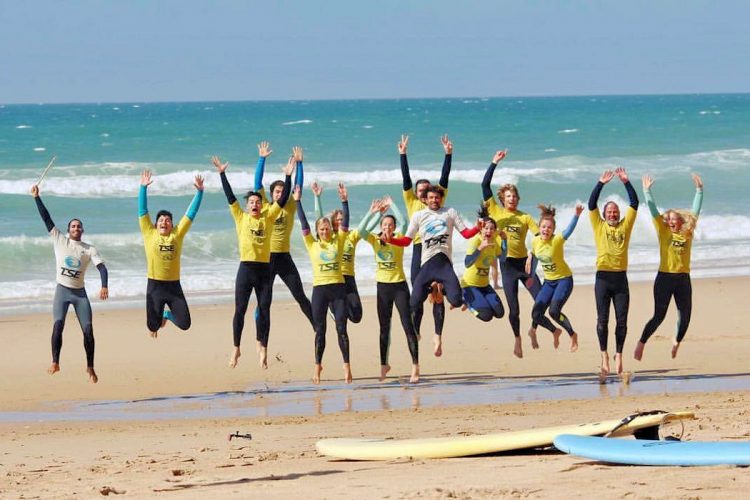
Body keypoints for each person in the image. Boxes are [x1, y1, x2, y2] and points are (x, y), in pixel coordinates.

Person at [212, 155, 292, 369]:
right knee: (240, 310)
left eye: (258, 202)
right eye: (251, 203)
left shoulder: (268, 217)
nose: (255, 205)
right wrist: (222, 174)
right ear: (247, 206)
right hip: (246, 269)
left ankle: (262, 345)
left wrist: (288, 175)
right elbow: (229, 197)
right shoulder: (240, 216)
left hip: (264, 270)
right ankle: (236, 348)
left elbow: (283, 200)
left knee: (265, 309)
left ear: (261, 205)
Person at [482, 150, 562, 355]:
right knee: (514, 310)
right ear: (502, 198)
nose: (512, 199)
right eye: (508, 196)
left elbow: (539, 237)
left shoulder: (525, 217)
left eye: (515, 196)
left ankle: (547, 330)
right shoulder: (495, 211)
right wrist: (494, 162)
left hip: (525, 266)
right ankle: (517, 339)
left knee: (541, 302)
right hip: (507, 267)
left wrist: (534, 256)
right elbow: (484, 185)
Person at [386, 185, 480, 356]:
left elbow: (466, 234)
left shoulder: (450, 212)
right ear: (425, 199)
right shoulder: (419, 216)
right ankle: (433, 288)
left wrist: (478, 228)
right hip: (427, 265)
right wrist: (391, 240)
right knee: (414, 303)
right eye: (431, 198)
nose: (434, 200)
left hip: (444, 265)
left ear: (441, 198)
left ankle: (440, 287)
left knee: (457, 301)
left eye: (437, 197)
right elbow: (407, 241)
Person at [31, 184, 108, 383]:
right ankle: (55, 362)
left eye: (78, 226)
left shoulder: (89, 249)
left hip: (80, 294)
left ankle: (90, 367)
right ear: (68, 230)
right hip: (62, 291)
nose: (76, 228)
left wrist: (104, 285)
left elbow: (102, 268)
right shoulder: (60, 240)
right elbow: (46, 218)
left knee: (88, 331)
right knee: (58, 326)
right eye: (73, 226)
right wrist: (36, 197)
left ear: (82, 230)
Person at [635, 173, 703, 361]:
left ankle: (676, 341)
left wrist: (699, 190)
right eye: (669, 219)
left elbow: (695, 212)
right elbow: (654, 211)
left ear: (681, 221)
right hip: (664, 278)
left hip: (682, 279)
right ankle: (641, 343)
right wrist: (646, 190)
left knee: (685, 317)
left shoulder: (687, 233)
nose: (672, 221)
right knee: (659, 316)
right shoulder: (663, 231)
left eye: (675, 219)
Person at [294, 182, 353, 384]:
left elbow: (345, 223)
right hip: (320, 291)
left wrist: (344, 201)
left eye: (327, 227)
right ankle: (318, 366)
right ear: (317, 231)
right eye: (321, 228)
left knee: (341, 329)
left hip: (338, 290)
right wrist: (297, 201)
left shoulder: (339, 240)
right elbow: (303, 223)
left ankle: (347, 367)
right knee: (320, 331)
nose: (325, 231)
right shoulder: (311, 243)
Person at [359, 196, 420, 382]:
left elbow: (404, 221)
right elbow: (362, 230)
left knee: (407, 326)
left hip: (399, 286)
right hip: (383, 288)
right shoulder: (375, 240)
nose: (387, 227)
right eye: (384, 225)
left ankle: (415, 366)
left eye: (390, 225)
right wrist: (375, 214)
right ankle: (384, 365)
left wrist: (392, 203)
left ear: (394, 228)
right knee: (384, 328)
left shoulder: (399, 239)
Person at [398, 134, 452, 342]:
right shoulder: (411, 201)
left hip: (437, 251)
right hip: (419, 249)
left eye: (426, 190)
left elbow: (444, 179)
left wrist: (448, 155)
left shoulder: (436, 201)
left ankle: (438, 335)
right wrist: (403, 154)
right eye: (420, 190)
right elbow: (406, 180)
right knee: (418, 290)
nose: (423, 193)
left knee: (437, 292)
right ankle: (417, 330)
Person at [254, 143, 314, 328]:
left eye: (282, 191)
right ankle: (260, 335)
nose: (280, 194)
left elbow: (297, 187)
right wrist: (262, 158)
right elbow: (257, 183)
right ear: (271, 195)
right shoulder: (265, 206)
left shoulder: (289, 206)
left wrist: (300, 164)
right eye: (277, 192)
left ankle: (317, 326)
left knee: (300, 295)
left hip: (284, 258)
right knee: (265, 301)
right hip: (267, 259)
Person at [138, 169, 204, 338]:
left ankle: (167, 315)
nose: (164, 222)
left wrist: (200, 192)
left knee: (185, 324)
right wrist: (143, 188)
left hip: (174, 287)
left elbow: (191, 214)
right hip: (155, 286)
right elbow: (142, 210)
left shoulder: (177, 234)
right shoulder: (149, 233)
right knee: (152, 325)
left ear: (172, 224)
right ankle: (160, 317)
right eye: (161, 220)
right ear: (155, 224)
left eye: (168, 220)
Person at [588, 167, 638, 381]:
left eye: (615, 212)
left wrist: (627, 182)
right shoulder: (598, 225)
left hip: (620, 279)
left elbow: (634, 203)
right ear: (604, 215)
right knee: (602, 321)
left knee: (622, 321)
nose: (612, 214)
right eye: (609, 212)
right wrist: (600, 184)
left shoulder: (625, 226)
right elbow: (591, 204)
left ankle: (618, 354)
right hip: (602, 278)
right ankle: (604, 356)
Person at [311, 182, 380, 324]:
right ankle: (333, 308)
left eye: (342, 219)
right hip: (335, 277)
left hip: (348, 277)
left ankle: (337, 311)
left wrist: (377, 214)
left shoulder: (351, 236)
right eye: (337, 220)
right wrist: (317, 197)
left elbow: (364, 229)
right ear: (333, 223)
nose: (340, 222)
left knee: (356, 317)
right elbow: (319, 218)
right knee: (340, 320)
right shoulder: (331, 237)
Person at [526, 204, 584, 352]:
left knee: (554, 311)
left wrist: (576, 215)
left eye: (549, 228)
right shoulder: (535, 241)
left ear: (553, 230)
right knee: (536, 313)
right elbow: (534, 256)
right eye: (544, 227)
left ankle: (572, 335)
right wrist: (531, 274)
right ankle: (554, 331)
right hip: (548, 282)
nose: (546, 230)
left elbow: (569, 231)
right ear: (539, 228)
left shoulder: (557, 240)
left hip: (564, 279)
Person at [461, 208, 509, 351]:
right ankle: (467, 303)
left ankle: (474, 300)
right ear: (481, 230)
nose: (489, 231)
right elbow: (467, 263)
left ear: (494, 231)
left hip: (484, 285)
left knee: (499, 313)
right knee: (486, 316)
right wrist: (480, 249)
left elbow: (503, 257)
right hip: (470, 284)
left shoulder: (494, 242)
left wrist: (505, 240)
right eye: (486, 228)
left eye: (492, 229)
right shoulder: (475, 241)